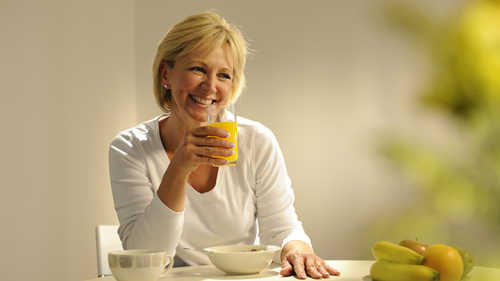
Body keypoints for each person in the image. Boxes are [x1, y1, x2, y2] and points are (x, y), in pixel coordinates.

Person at [109, 11, 340, 279]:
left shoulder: (256, 141)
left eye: (224, 75)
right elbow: (146, 258)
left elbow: (281, 227)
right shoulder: (130, 149)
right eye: (198, 69)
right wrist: (179, 168)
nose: (210, 87)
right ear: (165, 75)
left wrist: (297, 247)